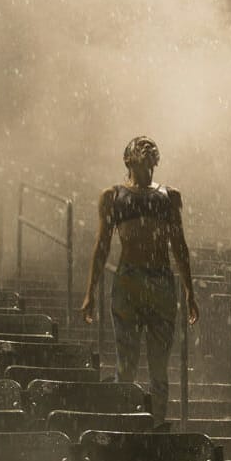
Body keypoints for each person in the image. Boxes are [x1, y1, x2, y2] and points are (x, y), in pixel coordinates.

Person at [81, 136, 199, 428]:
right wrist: (90, 292)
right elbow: (102, 246)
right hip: (129, 281)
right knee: (127, 363)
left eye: (151, 145)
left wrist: (189, 291)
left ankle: (158, 425)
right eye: (140, 144)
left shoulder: (169, 196)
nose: (147, 147)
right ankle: (126, 423)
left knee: (159, 366)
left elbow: (179, 246)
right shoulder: (113, 196)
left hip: (161, 283)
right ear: (128, 158)